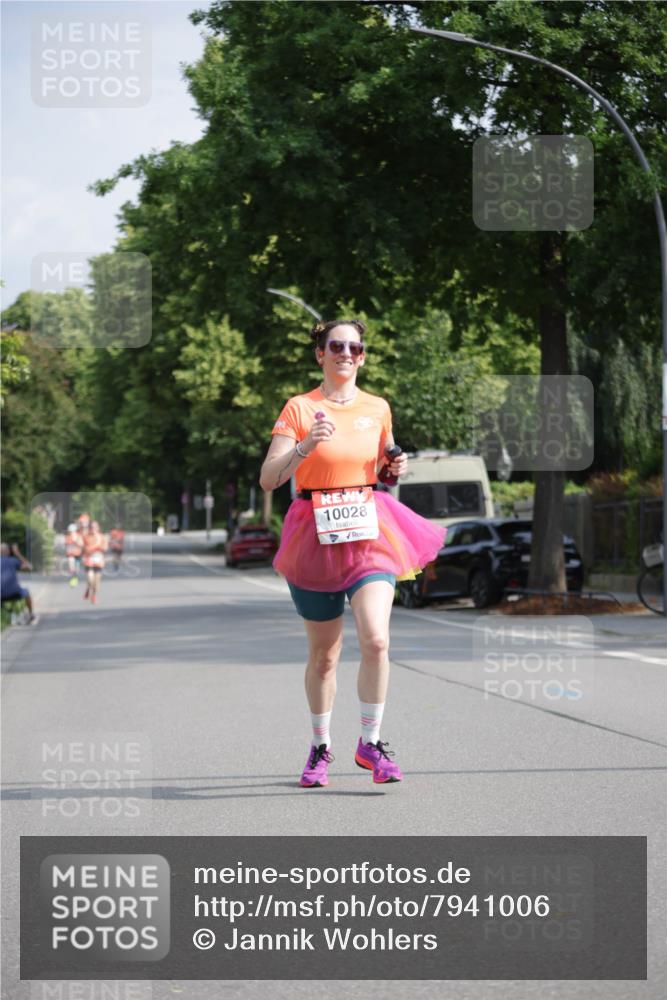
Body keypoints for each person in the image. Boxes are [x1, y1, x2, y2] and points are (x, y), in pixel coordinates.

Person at [259, 319, 446, 788]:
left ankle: (371, 743)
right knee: (324, 656)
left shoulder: (377, 407)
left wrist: (395, 467)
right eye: (337, 346)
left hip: (368, 530)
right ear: (320, 354)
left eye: (355, 347)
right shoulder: (300, 408)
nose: (346, 353)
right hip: (313, 533)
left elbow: (384, 469)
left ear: (362, 356)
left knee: (377, 640)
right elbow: (269, 479)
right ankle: (320, 746)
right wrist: (306, 445)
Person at [0, 542, 37, 622]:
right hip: (14, 593)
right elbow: (29, 567)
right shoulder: (13, 560)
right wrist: (17, 553)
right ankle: (31, 614)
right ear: (9, 551)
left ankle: (6, 616)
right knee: (27, 592)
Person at [81, 521, 108, 604]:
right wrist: (94, 547)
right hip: (89, 560)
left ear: (98, 528)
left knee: (96, 582)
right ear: (89, 528)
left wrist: (96, 548)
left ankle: (93, 595)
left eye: (95, 527)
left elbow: (105, 548)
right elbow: (84, 548)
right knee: (90, 579)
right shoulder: (86, 537)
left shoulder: (102, 537)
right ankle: (88, 588)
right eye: (91, 527)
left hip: (98, 561)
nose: (93, 529)